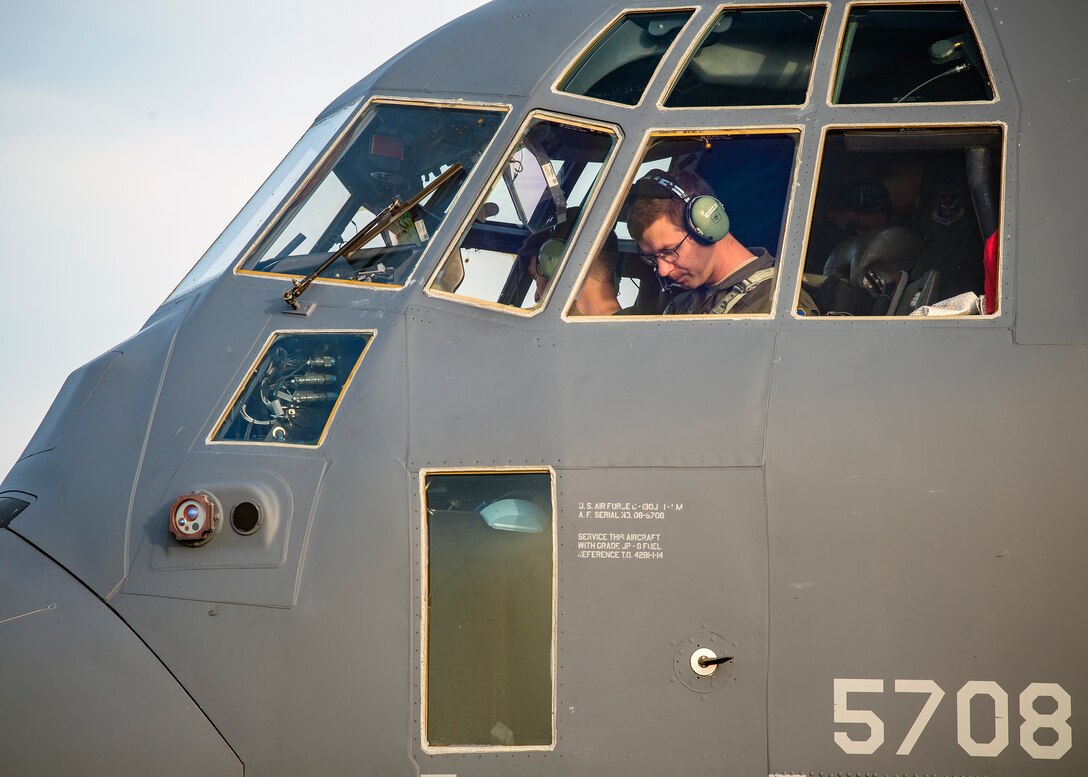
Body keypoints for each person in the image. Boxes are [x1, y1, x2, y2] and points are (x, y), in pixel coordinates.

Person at [627, 169, 797, 315]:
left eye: (669, 251)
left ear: (707, 226)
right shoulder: (681, 304)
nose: (663, 271)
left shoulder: (775, 305)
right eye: (654, 258)